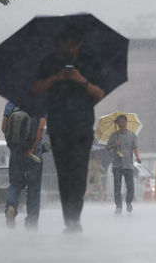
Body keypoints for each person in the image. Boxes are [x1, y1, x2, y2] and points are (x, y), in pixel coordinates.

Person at [32, 24, 105, 234]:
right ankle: (69, 219)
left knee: (79, 172)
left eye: (75, 45)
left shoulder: (90, 62)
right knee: (63, 173)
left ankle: (76, 217)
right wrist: (55, 78)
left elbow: (99, 93)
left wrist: (82, 80)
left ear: (80, 43)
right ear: (63, 44)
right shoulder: (51, 62)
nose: (71, 49)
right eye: (68, 45)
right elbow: (36, 88)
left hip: (82, 126)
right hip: (59, 126)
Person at [2, 101, 46, 230]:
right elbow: (41, 128)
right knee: (34, 189)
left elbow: (4, 127)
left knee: (15, 184)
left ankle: (11, 207)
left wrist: (14, 146)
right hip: (35, 152)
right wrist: (31, 148)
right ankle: (31, 224)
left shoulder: (11, 103)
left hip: (16, 152)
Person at [106, 114, 141, 214]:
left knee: (130, 187)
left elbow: (136, 147)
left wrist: (138, 157)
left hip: (129, 165)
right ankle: (118, 206)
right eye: (119, 122)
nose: (121, 124)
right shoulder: (114, 135)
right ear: (117, 124)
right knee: (117, 187)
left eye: (123, 122)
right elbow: (107, 148)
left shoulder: (132, 135)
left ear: (126, 122)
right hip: (117, 165)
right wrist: (114, 145)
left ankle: (129, 202)